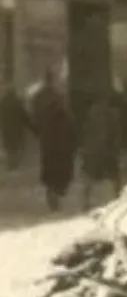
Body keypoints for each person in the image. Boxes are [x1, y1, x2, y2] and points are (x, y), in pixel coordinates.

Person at [26, 67, 76, 211]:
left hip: (47, 141)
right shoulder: (58, 97)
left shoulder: (38, 96)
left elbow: (33, 117)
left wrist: (37, 132)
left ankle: (52, 196)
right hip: (59, 144)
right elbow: (70, 125)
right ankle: (56, 195)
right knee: (59, 172)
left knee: (50, 173)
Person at [79, 83, 124, 210]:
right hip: (106, 149)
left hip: (94, 149)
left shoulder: (91, 112)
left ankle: (86, 202)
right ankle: (119, 198)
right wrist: (116, 147)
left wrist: (85, 147)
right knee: (114, 176)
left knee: (90, 177)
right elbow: (116, 133)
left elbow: (86, 131)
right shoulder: (112, 113)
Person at [0, 83, 30, 169]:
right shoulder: (17, 102)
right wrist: (33, 127)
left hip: (6, 129)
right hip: (16, 129)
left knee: (9, 146)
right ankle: (14, 164)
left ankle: (11, 163)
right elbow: (24, 116)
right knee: (15, 146)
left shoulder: (2, 102)